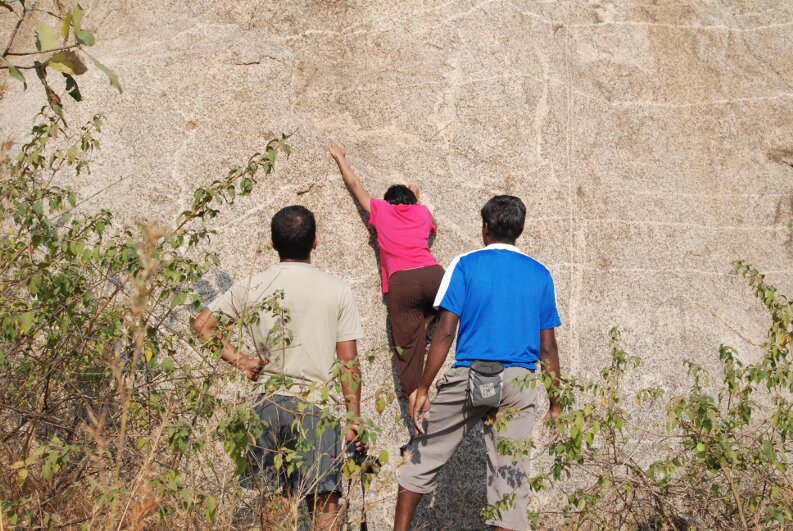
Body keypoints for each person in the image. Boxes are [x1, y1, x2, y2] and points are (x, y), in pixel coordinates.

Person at [393, 195, 563, 531]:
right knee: (509, 484)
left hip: (471, 374)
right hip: (519, 382)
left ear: (485, 228)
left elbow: (444, 332)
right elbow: (548, 347)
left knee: (424, 454)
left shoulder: (466, 264)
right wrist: (556, 403)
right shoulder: (540, 274)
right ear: (520, 230)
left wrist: (424, 386)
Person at [192, 205, 365, 531]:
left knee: (272, 507)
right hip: (316, 407)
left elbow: (202, 325)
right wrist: (354, 417)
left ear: (273, 243)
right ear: (315, 242)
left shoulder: (253, 285)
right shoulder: (338, 290)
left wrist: (240, 360)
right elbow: (349, 364)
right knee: (324, 502)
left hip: (264, 405)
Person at [329, 143, 444, 446]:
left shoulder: (381, 209)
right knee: (450, 306)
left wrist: (341, 157)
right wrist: (415, 194)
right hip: (435, 277)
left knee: (410, 369)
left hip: (402, 286)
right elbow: (427, 219)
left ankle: (419, 433)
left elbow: (355, 186)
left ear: (388, 201)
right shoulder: (421, 212)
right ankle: (429, 320)